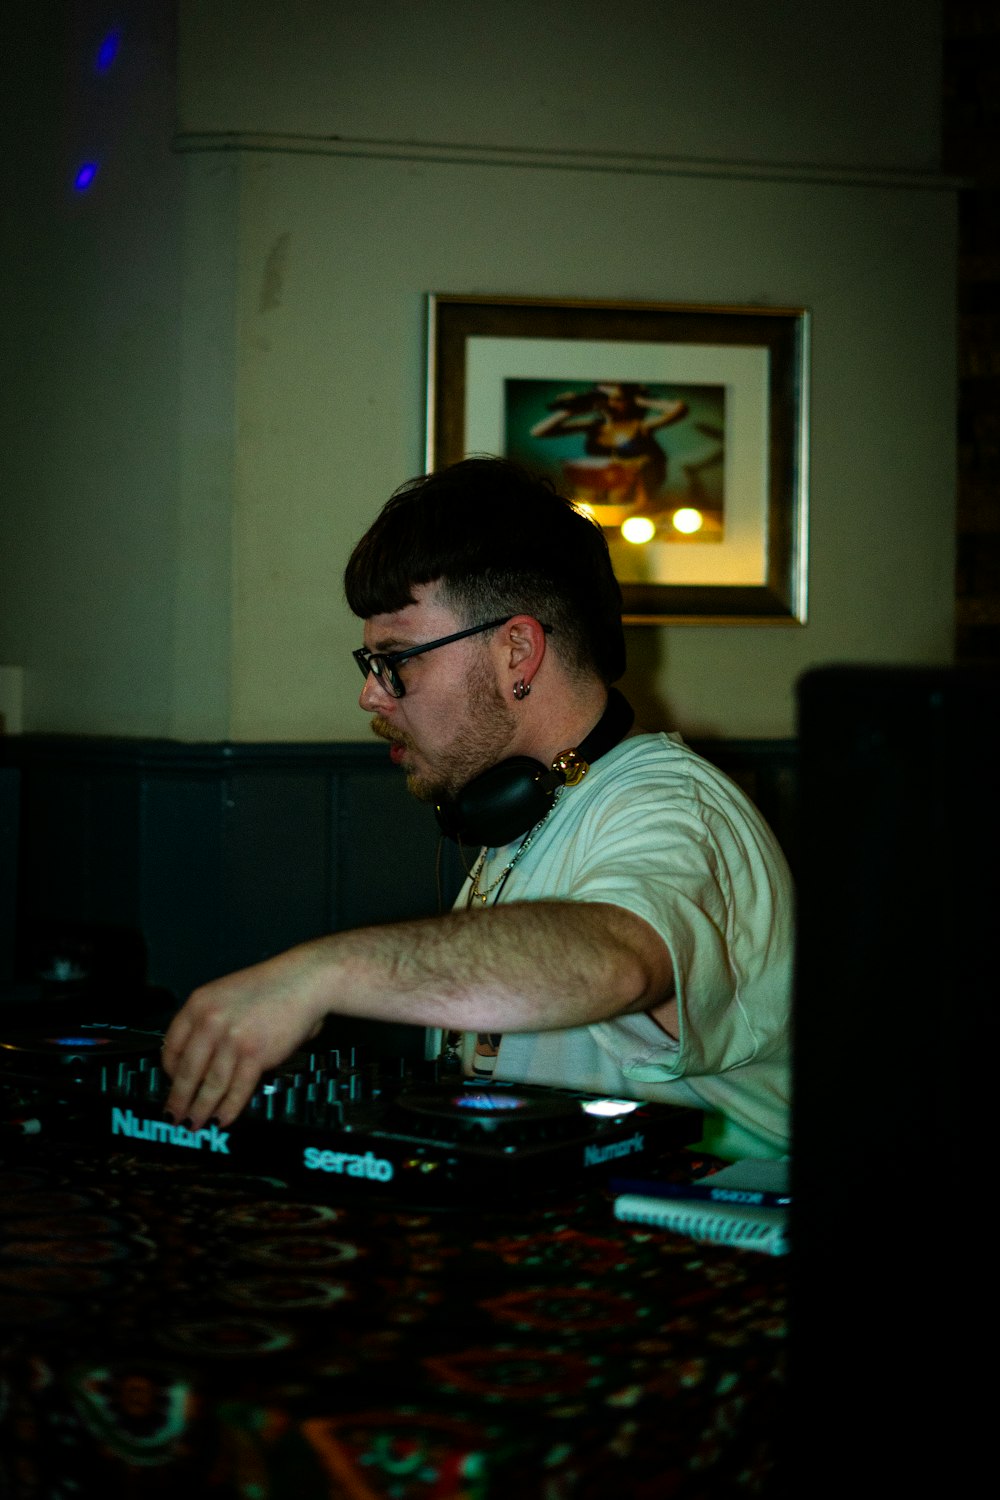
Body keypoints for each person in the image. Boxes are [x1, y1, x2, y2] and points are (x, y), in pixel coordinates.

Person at [162, 457, 792, 1159]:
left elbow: (620, 961)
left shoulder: (673, 808)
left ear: (516, 650)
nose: (373, 696)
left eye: (398, 659)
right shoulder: (529, 816)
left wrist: (322, 973)